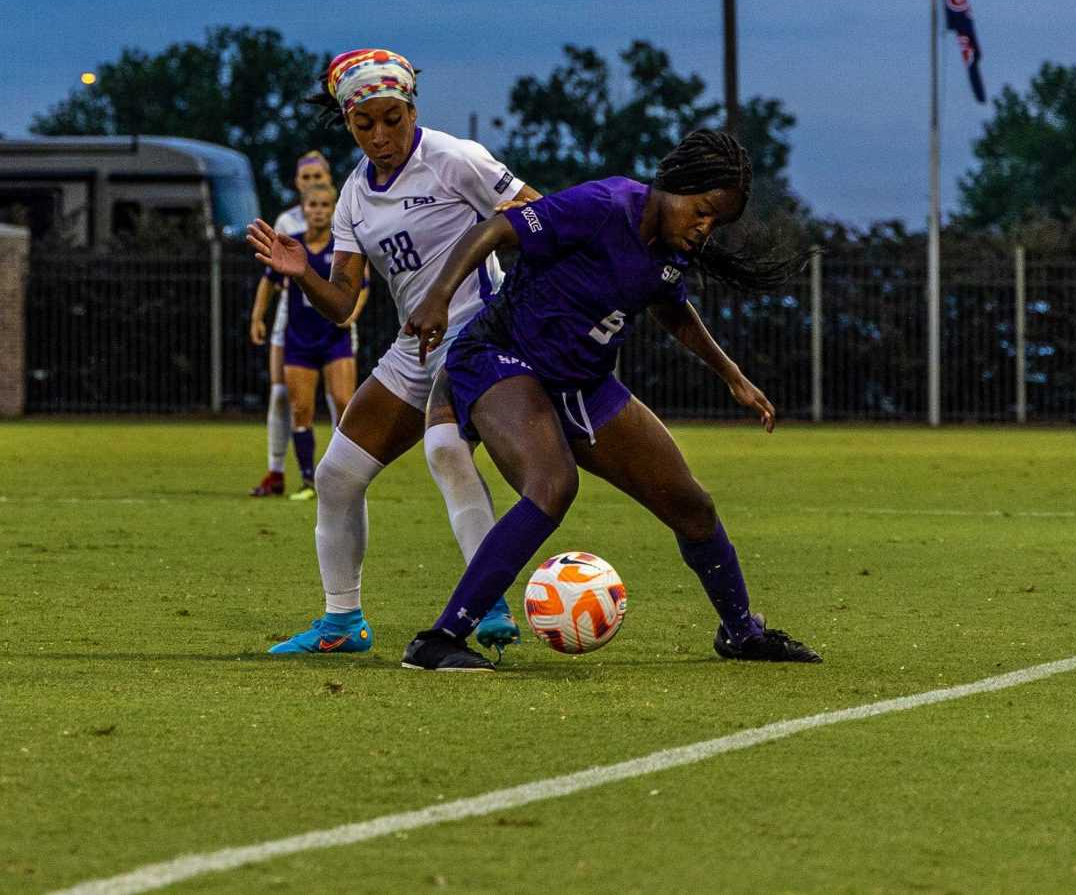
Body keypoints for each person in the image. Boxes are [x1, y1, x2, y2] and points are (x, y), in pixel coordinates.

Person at [396, 128, 822, 671]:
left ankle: (741, 633)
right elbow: (496, 228)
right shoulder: (604, 204)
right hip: (501, 357)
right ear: (675, 184)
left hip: (584, 384)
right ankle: (437, 640)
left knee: (692, 507)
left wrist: (731, 373)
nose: (705, 227)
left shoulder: (669, 249)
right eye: (704, 210)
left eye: (717, 222)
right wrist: (437, 298)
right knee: (552, 485)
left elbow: (670, 306)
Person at [247, 49, 536, 656]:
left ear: (413, 109)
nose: (380, 136)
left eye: (392, 119)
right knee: (335, 477)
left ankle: (487, 603)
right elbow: (343, 304)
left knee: (447, 450)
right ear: (349, 123)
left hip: (477, 334)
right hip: (414, 346)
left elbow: (542, 218)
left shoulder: (455, 159)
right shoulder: (353, 195)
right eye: (365, 125)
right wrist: (303, 272)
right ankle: (342, 623)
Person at [250, 179, 361, 501]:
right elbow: (268, 280)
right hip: (299, 339)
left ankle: (346, 476)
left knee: (344, 403)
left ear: (334, 209)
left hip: (334, 337)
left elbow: (362, 284)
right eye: (313, 205)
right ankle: (309, 481)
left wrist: (353, 311)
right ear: (304, 209)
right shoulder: (291, 244)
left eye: (325, 205)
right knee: (301, 409)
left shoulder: (343, 246)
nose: (319, 211)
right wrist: (258, 317)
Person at [250, 149, 332, 496]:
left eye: (318, 177)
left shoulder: (340, 216)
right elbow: (272, 275)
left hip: (331, 319)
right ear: (297, 182)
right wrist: (260, 316)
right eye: (306, 178)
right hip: (292, 319)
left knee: (338, 397)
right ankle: (276, 469)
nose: (313, 183)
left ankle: (341, 470)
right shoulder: (287, 222)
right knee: (282, 393)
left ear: (328, 179)